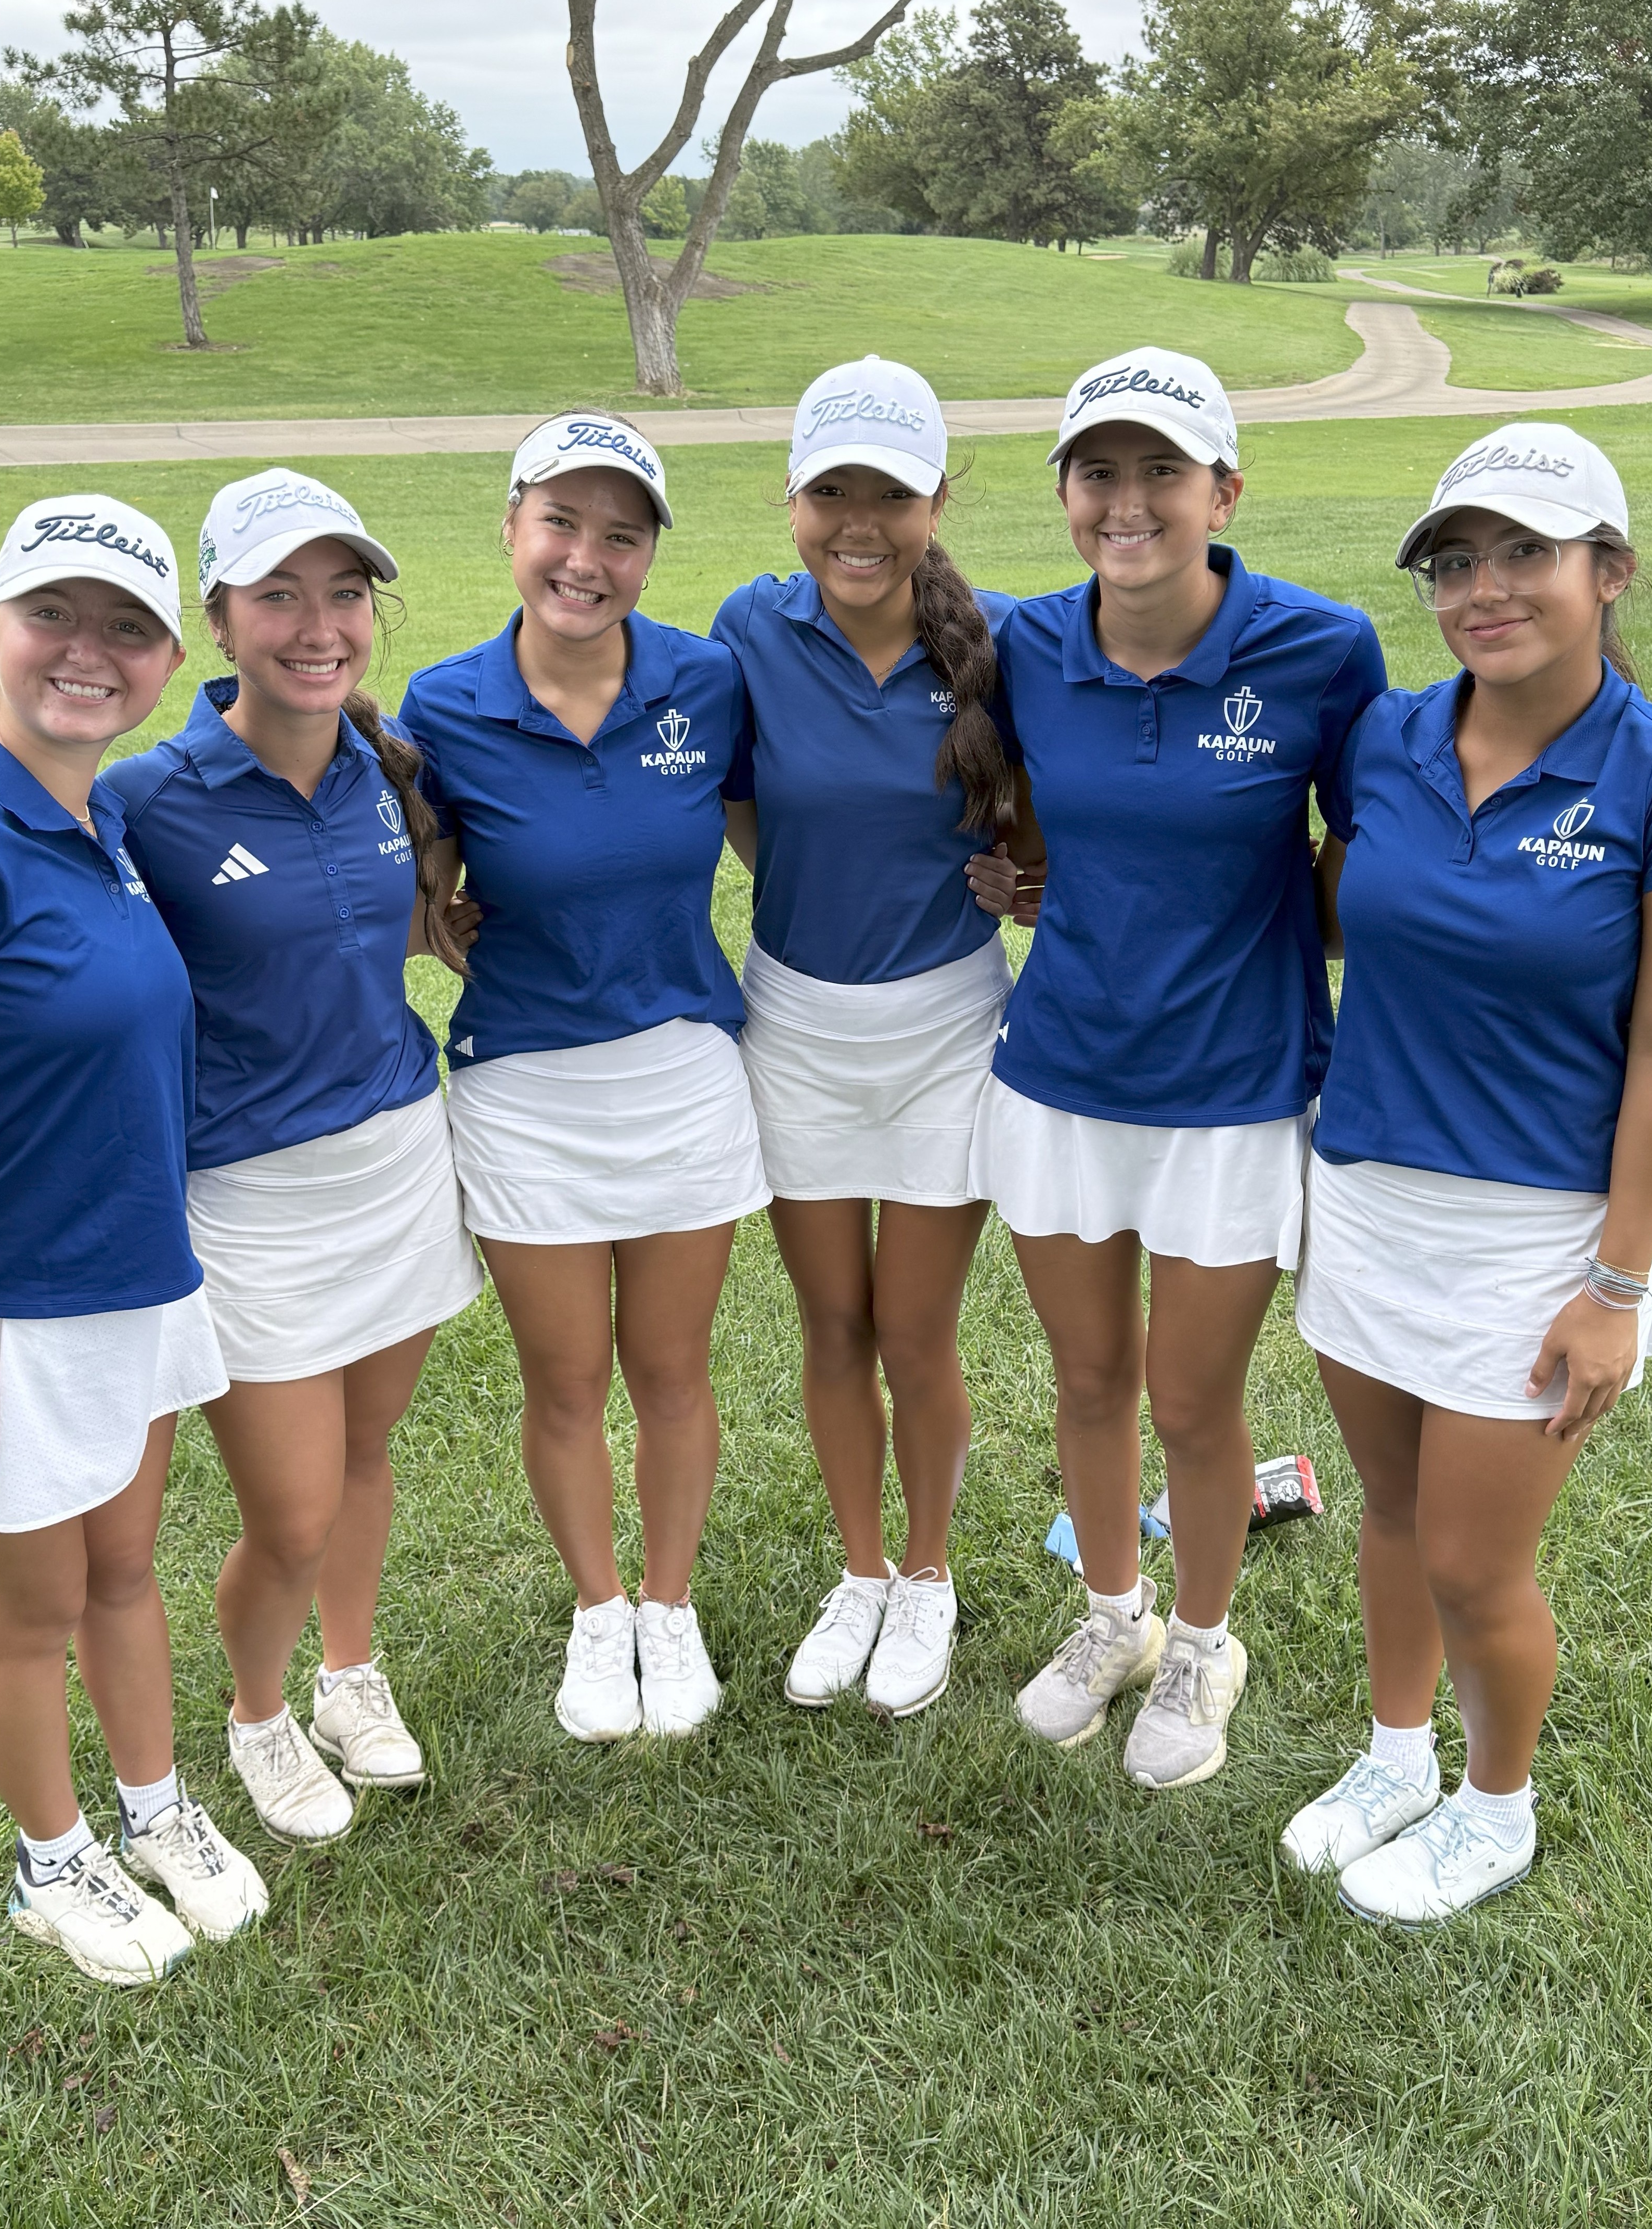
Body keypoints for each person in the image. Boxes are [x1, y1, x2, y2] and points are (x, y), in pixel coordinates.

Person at [1283, 424, 1652, 1922]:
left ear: (1607, 573)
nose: (1483, 590)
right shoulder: (1391, 740)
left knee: (1473, 1561)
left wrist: (1614, 1284)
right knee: (1384, 1510)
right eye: (1454, 561)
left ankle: (1496, 1804)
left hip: (1542, 1234)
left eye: (1525, 555)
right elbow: (1345, 915)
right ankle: (1393, 1752)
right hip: (1366, 1191)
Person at [0, 495, 266, 1988]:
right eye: (55, 618)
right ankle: (50, 1856)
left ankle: (155, 1807)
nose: (89, 654)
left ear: (163, 658)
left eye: (128, 628)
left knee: (126, 1569)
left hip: (127, 1277)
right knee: (29, 1608)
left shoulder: (97, 819)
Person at [972, 348, 1386, 1785]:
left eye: (1162, 471)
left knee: (1194, 1402)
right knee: (1087, 1378)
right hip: (1060, 1073)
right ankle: (1113, 1617)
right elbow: (1019, 805)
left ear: (1224, 487)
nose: (1127, 501)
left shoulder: (1322, 651)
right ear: (1069, 492)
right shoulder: (1024, 643)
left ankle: (1205, 1640)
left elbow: (1363, 865)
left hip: (1233, 1086)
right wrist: (1011, 865)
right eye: (1099, 471)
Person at [105, 470, 484, 1846]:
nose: (318, 624)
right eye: (279, 596)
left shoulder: (386, 773)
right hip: (247, 1197)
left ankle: (347, 1671)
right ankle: (257, 1714)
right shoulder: (147, 799)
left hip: (395, 1156)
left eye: (343, 593)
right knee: (292, 1503)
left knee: (369, 1452)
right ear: (217, 621)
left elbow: (392, 925)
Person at [401, 413, 767, 1743]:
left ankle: (668, 1612)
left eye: (621, 534)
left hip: (679, 1071)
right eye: (560, 523)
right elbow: (414, 879)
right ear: (510, 531)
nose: (586, 558)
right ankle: (598, 1607)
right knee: (562, 1385)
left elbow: (787, 820)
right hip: (523, 1088)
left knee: (671, 1374)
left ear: (651, 555)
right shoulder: (440, 706)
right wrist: (428, 913)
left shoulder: (709, 683)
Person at [712, 355, 1022, 1717]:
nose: (857, 520)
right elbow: (732, 799)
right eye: (829, 489)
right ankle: (861, 1569)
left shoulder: (1002, 641)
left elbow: (1050, 817)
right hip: (792, 1022)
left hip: (950, 1025)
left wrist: (1021, 873)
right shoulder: (747, 629)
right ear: (789, 498)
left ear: (936, 499)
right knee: (828, 1320)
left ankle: (931, 1572)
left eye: (887, 493)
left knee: (912, 1326)